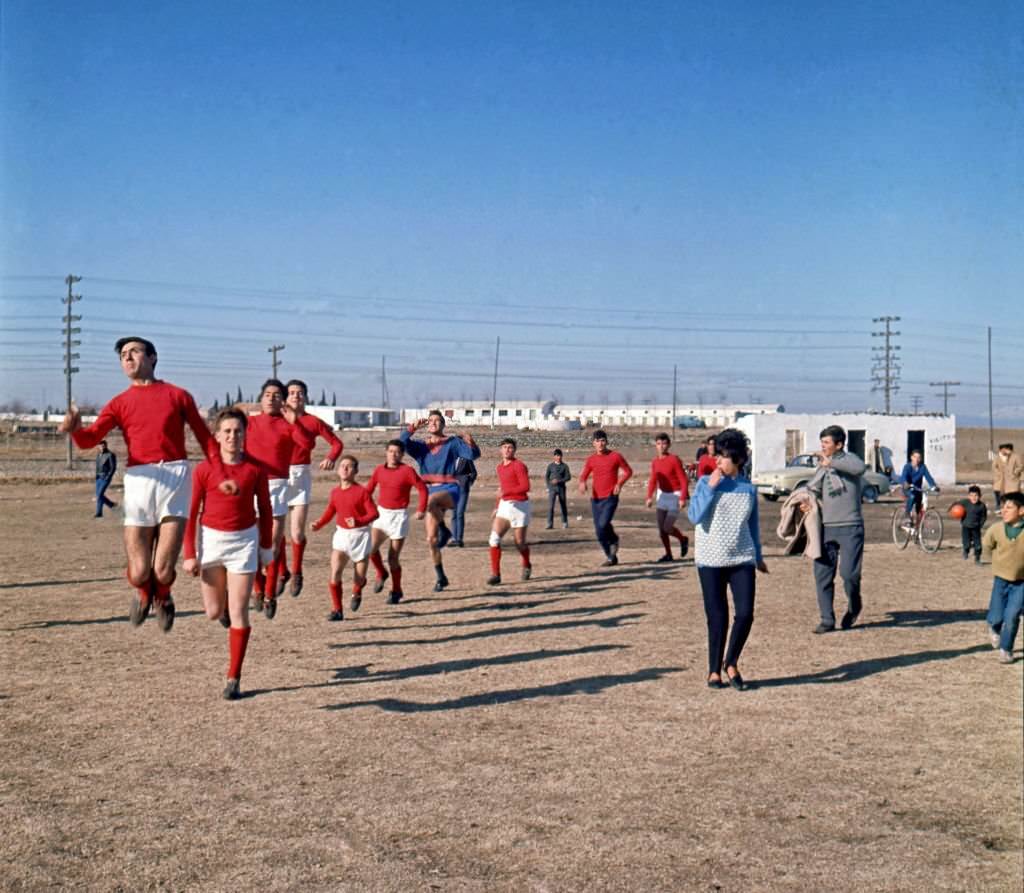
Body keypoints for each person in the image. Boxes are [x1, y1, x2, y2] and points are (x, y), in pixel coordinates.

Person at [59, 336, 232, 632]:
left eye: (134, 352)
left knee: (163, 570)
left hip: (174, 476)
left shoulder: (177, 395)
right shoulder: (119, 402)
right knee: (140, 572)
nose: (127, 358)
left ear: (152, 358)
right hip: (139, 479)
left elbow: (205, 439)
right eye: (123, 355)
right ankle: (143, 592)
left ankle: (163, 596)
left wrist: (221, 475)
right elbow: (90, 438)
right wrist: (75, 429)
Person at [182, 408, 274, 701]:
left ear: (245, 435)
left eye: (238, 431)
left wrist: (266, 548)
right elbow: (191, 512)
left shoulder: (256, 469)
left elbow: (267, 511)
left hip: (244, 544)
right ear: (217, 436)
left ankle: (233, 677)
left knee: (240, 612)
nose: (233, 436)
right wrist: (189, 553)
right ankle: (220, 612)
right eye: (228, 431)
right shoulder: (204, 470)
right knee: (213, 612)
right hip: (211, 543)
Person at [687, 428, 768, 691]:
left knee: (745, 614)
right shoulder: (704, 483)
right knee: (717, 616)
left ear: (738, 460)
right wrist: (710, 488)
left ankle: (730, 662)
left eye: (723, 457)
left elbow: (752, 525)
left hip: (741, 557)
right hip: (710, 560)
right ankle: (714, 670)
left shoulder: (748, 489)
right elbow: (694, 517)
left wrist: (758, 555)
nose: (718, 462)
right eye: (717, 456)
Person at [244, 379, 314, 619]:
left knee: (272, 545)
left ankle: (270, 594)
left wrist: (295, 422)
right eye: (267, 394)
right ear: (261, 398)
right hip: (250, 486)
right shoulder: (249, 423)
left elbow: (307, 443)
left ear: (282, 401)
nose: (271, 398)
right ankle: (257, 588)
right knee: (251, 544)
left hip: (276, 486)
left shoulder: (287, 425)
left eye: (276, 395)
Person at [400, 411, 481, 592]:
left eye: (438, 420)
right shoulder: (421, 447)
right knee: (431, 539)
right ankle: (441, 576)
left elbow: (473, 455)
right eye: (431, 421)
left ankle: (445, 532)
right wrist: (412, 427)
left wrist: (470, 441)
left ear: (443, 425)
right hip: (430, 491)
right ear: (427, 425)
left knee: (430, 500)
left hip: (449, 489)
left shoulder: (452, 443)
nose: (434, 423)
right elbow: (402, 443)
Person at [280, 379, 344, 598]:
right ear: (285, 397)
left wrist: (331, 458)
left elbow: (336, 444)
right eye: (291, 393)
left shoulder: (313, 422)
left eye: (300, 393)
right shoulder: (277, 419)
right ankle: (281, 571)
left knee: (297, 531)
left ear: (305, 396)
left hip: (300, 475)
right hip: (276, 475)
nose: (296, 396)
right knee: (274, 530)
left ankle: (297, 571)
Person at [802, 425, 866, 634]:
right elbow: (813, 489)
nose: (823, 447)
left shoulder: (849, 461)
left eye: (827, 443)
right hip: (826, 527)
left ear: (839, 444)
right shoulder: (823, 468)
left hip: (851, 526)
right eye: (822, 443)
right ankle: (827, 619)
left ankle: (854, 605)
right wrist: (807, 503)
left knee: (849, 574)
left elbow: (860, 468)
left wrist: (833, 463)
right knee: (822, 574)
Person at [311, 455, 379, 621]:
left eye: (349, 466)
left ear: (355, 471)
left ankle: (357, 590)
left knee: (359, 578)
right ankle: (337, 610)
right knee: (335, 573)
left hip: (360, 536)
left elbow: (374, 513)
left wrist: (358, 521)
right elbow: (330, 511)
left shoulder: (362, 492)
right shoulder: (334, 492)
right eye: (342, 466)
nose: (345, 469)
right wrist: (319, 524)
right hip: (341, 535)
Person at [366, 440, 428, 604]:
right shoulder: (379, 470)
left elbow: (422, 488)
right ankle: (381, 573)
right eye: (390, 451)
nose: (393, 455)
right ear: (386, 452)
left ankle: (396, 590)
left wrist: (421, 509)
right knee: (370, 549)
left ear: (402, 455)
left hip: (399, 517)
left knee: (393, 558)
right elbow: (368, 491)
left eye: (397, 452)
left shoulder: (407, 471)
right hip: (381, 515)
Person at [579, 430, 633, 566]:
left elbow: (628, 471)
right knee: (599, 531)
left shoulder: (615, 456)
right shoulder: (591, 459)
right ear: (593, 443)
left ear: (607, 442)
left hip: (610, 496)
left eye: (602, 440)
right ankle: (610, 557)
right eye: (597, 441)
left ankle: (614, 540)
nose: (600, 443)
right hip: (596, 499)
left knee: (603, 524)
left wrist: (619, 484)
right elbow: (584, 475)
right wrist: (582, 482)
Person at [981, 492, 1024, 664]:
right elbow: (987, 545)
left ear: (1021, 511)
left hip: (1021, 582)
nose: (1004, 510)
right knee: (997, 615)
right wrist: (994, 562)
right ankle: (994, 627)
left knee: (1012, 616)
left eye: (1009, 507)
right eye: (1003, 507)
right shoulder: (996, 529)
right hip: (1001, 579)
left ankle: (1006, 649)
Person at [488, 438, 532, 585]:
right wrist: (497, 506)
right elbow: (502, 489)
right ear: (500, 450)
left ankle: (526, 564)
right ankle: (496, 574)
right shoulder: (499, 467)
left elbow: (525, 486)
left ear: (514, 450)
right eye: (505, 447)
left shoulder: (519, 466)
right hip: (505, 506)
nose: (507, 450)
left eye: (510, 448)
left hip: (520, 506)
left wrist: (505, 492)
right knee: (494, 539)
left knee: (519, 542)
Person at [644, 433, 690, 562]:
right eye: (658, 444)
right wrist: (649, 496)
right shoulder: (655, 462)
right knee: (661, 529)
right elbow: (653, 479)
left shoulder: (674, 459)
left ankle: (682, 539)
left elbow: (683, 479)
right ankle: (668, 554)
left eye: (664, 443)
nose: (661, 446)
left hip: (675, 495)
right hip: (662, 495)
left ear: (668, 445)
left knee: (668, 527)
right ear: (656, 445)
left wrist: (682, 497)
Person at [898, 450, 939, 526]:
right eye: (915, 457)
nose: (917, 459)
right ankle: (907, 515)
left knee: (919, 508)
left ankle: (918, 527)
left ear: (921, 459)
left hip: (918, 489)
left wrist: (934, 486)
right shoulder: (907, 467)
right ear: (911, 457)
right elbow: (903, 476)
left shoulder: (922, 467)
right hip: (908, 488)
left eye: (919, 457)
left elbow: (928, 477)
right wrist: (905, 483)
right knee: (912, 496)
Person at [954, 485, 987, 563]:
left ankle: (977, 558)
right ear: (968, 496)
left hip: (976, 527)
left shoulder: (982, 506)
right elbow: (956, 504)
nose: (974, 497)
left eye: (976, 495)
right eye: (971, 495)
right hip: (965, 526)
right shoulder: (965, 502)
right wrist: (952, 508)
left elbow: (984, 516)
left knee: (978, 544)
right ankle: (966, 550)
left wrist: (980, 524)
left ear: (980, 496)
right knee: (966, 542)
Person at [451, 455, 477, 547]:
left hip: (463, 489)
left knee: (460, 513)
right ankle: (454, 539)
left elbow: (473, 472)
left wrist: (468, 482)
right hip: (451, 489)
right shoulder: (450, 456)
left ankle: (459, 539)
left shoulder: (466, 458)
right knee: (453, 514)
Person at [544, 449, 572, 529]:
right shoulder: (550, 466)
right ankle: (550, 524)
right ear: (554, 457)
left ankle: (564, 522)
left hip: (561, 488)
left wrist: (559, 481)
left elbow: (568, 477)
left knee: (563, 505)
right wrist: (548, 486)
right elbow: (547, 476)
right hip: (552, 489)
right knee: (551, 506)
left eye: (559, 455)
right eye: (556, 456)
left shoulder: (564, 466)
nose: (558, 457)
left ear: (561, 456)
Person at [992, 443, 1023, 510]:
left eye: (1005, 449)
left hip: (1013, 481)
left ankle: (1018, 509)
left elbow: (1020, 466)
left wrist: (1015, 472)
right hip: (1005, 481)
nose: (1004, 451)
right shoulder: (1003, 456)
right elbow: (995, 467)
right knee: (1006, 496)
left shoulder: (1016, 456)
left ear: (1009, 449)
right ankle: (1006, 508)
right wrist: (999, 474)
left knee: (1014, 496)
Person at [94, 440, 118, 517]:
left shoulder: (110, 455)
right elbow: (98, 467)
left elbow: (113, 468)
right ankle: (99, 513)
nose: (102, 447)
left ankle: (111, 504)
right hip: (98, 478)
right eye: (100, 445)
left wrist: (108, 477)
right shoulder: (98, 455)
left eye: (103, 445)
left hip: (105, 477)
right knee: (98, 495)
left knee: (100, 494)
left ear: (106, 446)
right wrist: (96, 476)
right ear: (98, 446)